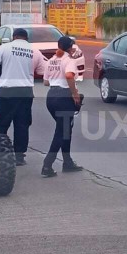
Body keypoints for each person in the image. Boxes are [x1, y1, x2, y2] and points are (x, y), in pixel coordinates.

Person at [0, 27, 48, 166]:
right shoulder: (34, 50)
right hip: (25, 92)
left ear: (14, 37)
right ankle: (19, 157)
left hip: (7, 92)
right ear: (26, 38)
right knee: (22, 124)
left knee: (1, 124)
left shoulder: (4, 48)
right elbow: (43, 70)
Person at [41, 36, 84, 178]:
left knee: (65, 130)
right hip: (64, 97)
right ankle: (47, 164)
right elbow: (69, 76)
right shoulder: (69, 61)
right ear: (69, 47)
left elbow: (46, 82)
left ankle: (67, 162)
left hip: (51, 96)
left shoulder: (51, 60)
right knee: (61, 132)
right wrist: (75, 94)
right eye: (73, 46)